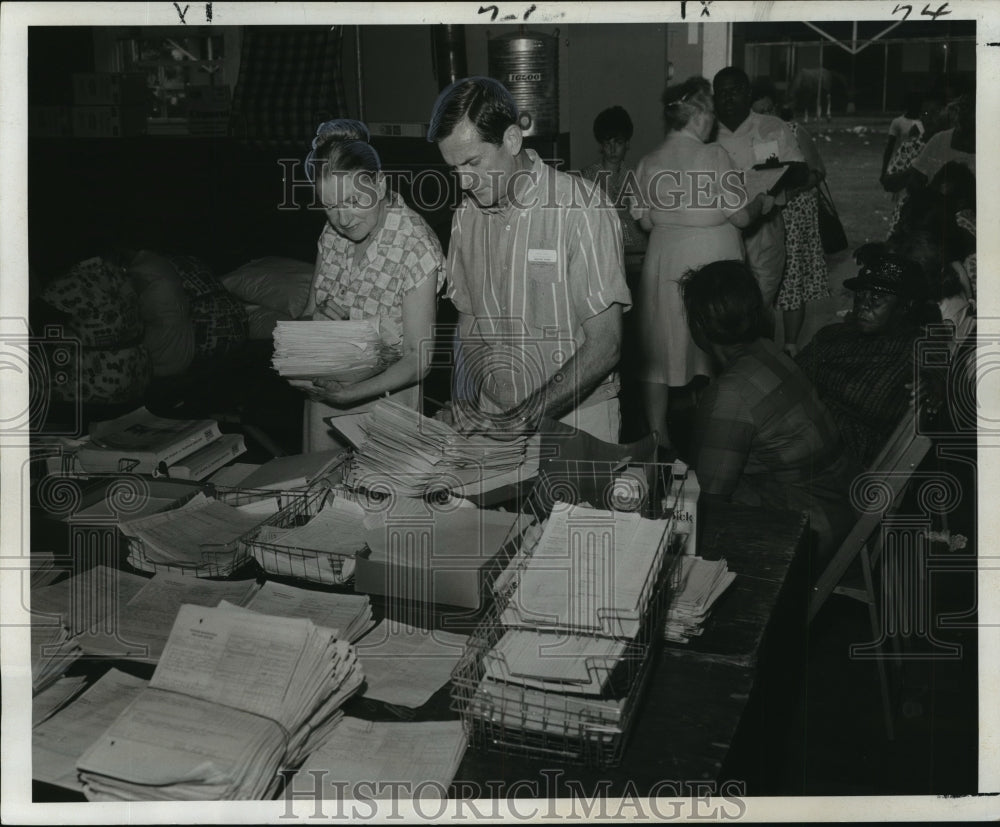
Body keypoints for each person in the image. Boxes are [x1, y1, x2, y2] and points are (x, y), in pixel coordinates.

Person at [427, 77, 632, 444]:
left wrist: (522, 418)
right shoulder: (466, 218)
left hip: (577, 422)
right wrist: (463, 402)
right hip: (493, 418)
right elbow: (470, 325)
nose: (464, 182)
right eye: (454, 169)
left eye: (473, 163)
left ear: (511, 139)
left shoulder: (580, 208)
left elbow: (607, 345)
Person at [681, 259, 856, 560]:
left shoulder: (730, 392)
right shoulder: (768, 350)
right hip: (839, 506)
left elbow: (709, 499)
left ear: (698, 326)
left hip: (810, 532)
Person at [631, 76, 768, 454]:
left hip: (664, 262)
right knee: (717, 343)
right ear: (699, 116)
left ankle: (659, 435)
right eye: (710, 112)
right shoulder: (714, 156)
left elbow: (643, 220)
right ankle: (717, 426)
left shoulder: (649, 160)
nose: (714, 120)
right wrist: (762, 201)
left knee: (659, 347)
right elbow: (740, 217)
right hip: (711, 263)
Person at [292, 119, 445, 451]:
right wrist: (314, 325)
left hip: (387, 403)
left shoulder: (416, 247)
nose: (343, 219)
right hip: (325, 395)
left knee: (381, 498)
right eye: (331, 206)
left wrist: (351, 394)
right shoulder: (332, 234)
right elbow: (307, 316)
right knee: (318, 491)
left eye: (353, 201)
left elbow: (418, 358)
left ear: (378, 184)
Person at [795, 245, 942, 468]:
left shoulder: (916, 347)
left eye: (876, 298)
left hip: (842, 463)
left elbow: (940, 375)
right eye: (860, 295)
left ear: (906, 306)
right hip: (799, 435)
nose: (863, 305)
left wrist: (934, 386)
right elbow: (791, 378)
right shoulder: (833, 334)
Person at [713, 66, 805, 311]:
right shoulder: (707, 133)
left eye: (735, 91)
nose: (728, 98)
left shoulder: (770, 127)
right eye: (721, 93)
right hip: (722, 227)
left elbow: (799, 170)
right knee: (725, 302)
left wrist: (773, 178)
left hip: (765, 225)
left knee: (761, 303)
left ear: (748, 93)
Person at [579, 105, 647, 285]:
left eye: (618, 143)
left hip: (634, 260)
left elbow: (643, 220)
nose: (613, 149)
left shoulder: (635, 178)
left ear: (627, 144)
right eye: (608, 143)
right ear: (601, 145)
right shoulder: (588, 177)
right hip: (602, 258)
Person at [879, 92, 946, 235]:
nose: (931, 118)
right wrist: (914, 170)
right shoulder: (909, 147)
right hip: (907, 222)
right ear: (921, 116)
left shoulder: (951, 147)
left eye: (937, 112)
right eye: (926, 113)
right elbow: (888, 183)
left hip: (940, 224)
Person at [881, 91, 925, 179]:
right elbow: (889, 147)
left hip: (921, 163)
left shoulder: (926, 122)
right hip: (904, 161)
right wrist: (883, 171)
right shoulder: (898, 122)